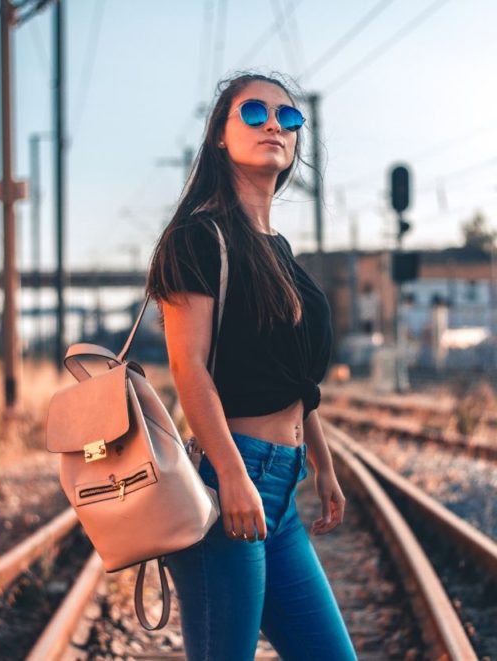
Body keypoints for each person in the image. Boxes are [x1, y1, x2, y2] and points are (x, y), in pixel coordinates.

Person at [146, 72, 358, 659]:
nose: (274, 124)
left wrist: (322, 461)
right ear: (219, 134)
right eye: (255, 112)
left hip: (280, 492)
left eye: (289, 118)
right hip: (228, 483)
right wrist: (233, 473)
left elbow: (295, 379)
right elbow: (189, 369)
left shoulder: (280, 250)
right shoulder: (197, 238)